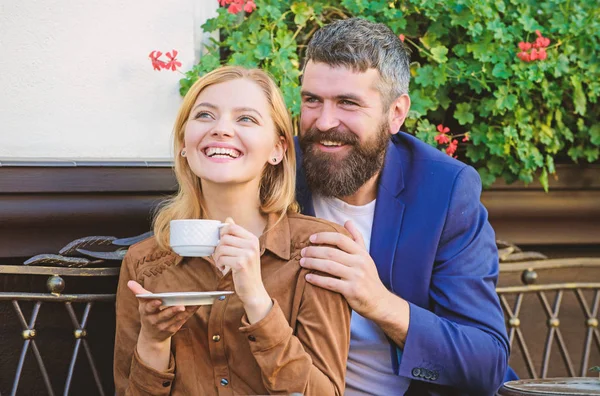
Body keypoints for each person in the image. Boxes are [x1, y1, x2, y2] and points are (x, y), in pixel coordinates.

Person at [294, 18, 512, 395]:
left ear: (396, 113)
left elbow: (485, 362)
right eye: (312, 100)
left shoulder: (443, 190)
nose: (325, 122)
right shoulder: (276, 170)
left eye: (347, 103)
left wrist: (377, 301)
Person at [113, 66, 351, 395]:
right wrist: (153, 342)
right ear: (185, 142)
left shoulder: (317, 251)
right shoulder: (144, 264)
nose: (221, 129)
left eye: (246, 119)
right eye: (205, 115)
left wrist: (256, 299)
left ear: (278, 149)